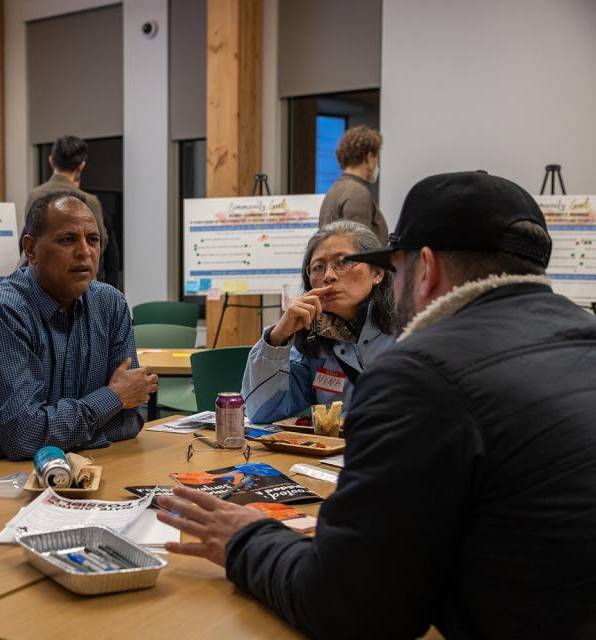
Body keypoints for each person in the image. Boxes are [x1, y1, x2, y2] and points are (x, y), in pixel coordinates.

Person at [156, 171, 596, 639]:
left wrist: (244, 537)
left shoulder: (421, 370)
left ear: (425, 269)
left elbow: (350, 607)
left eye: (396, 266)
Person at [0, 192, 156, 460]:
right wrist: (113, 398)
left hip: (85, 472)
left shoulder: (111, 304)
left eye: (93, 239)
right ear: (31, 250)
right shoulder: (2, 313)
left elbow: (130, 421)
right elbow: (23, 435)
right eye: (68, 239)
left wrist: (42, 438)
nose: (84, 252)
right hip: (1, 480)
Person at [241, 220, 396, 423]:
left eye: (343, 262)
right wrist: (277, 337)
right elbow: (261, 413)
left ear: (377, 273)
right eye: (318, 267)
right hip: (335, 454)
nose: (329, 276)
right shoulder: (312, 338)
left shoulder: (409, 330)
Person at [24, 135, 119, 285]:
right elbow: (103, 242)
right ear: (81, 166)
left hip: (34, 279)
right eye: (68, 240)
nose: (84, 250)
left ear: (51, 161)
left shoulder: (34, 195)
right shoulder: (88, 201)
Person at [318, 125, 388, 246]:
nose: (377, 162)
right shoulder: (358, 193)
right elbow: (358, 248)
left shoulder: (334, 190)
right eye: (376, 156)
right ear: (369, 157)